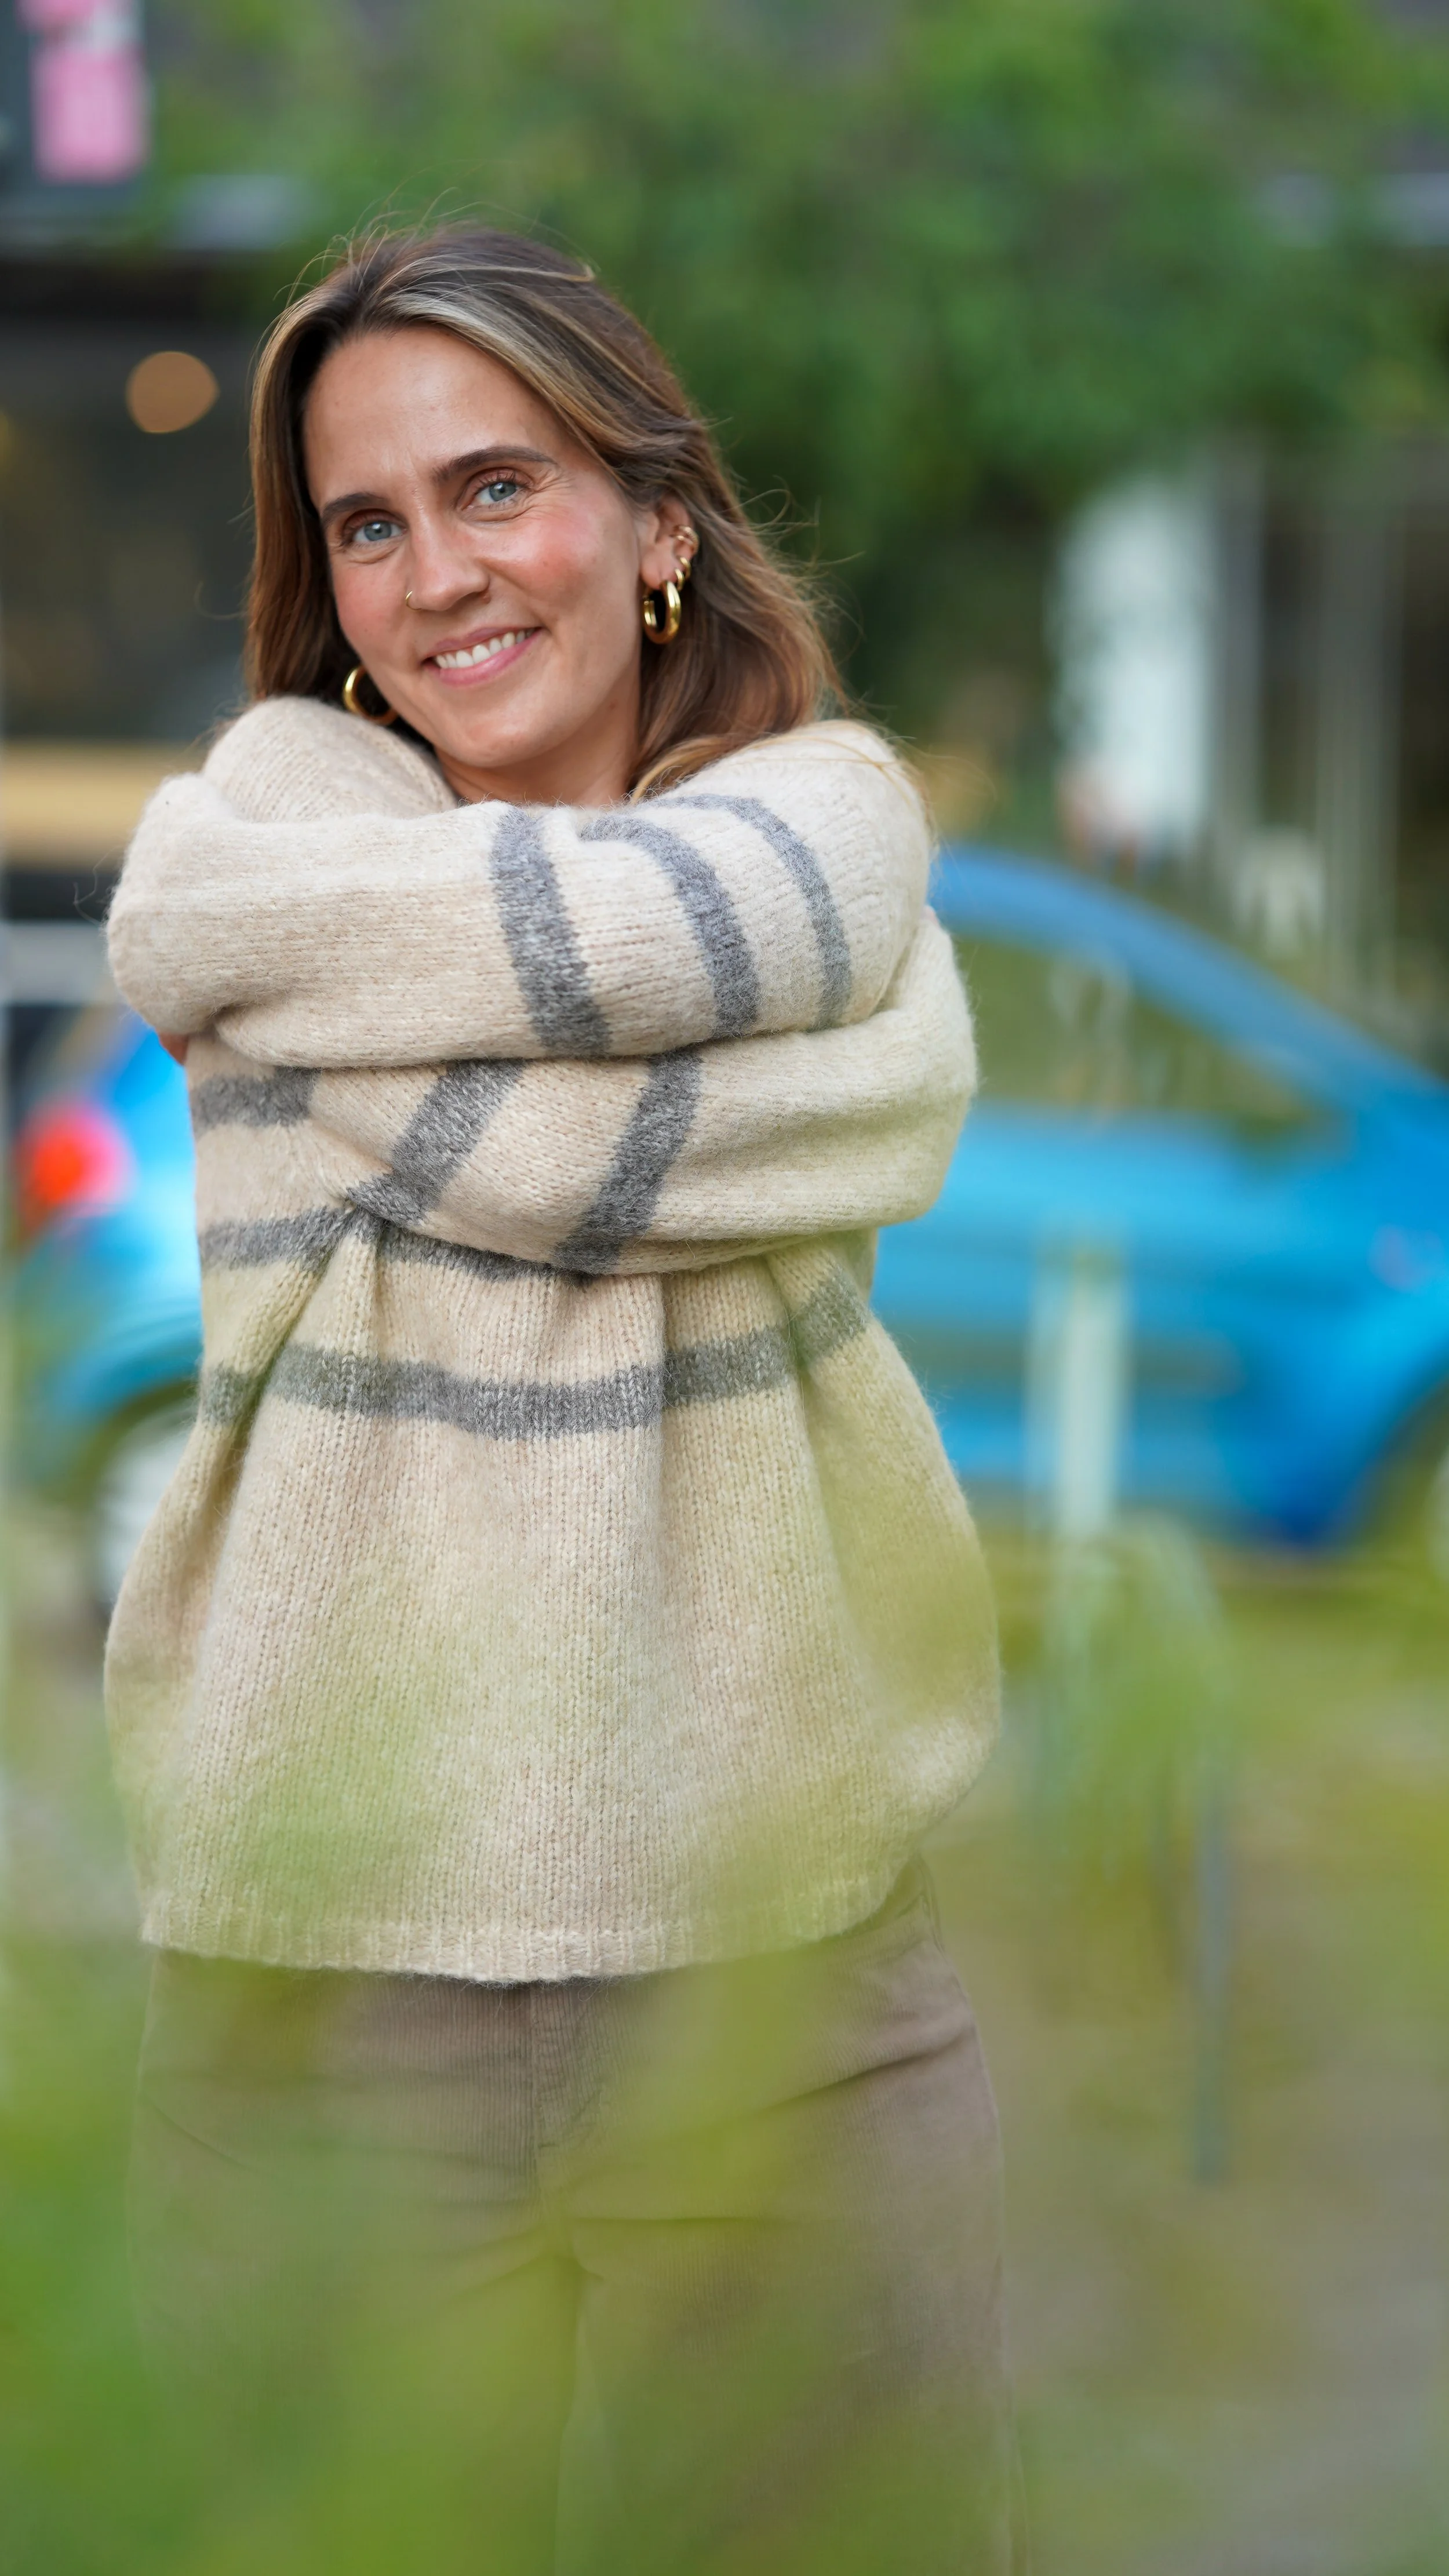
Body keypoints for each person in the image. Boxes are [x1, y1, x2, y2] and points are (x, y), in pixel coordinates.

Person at [105, 225, 1017, 2573]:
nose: (433, 573)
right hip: (322, 1992)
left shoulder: (826, 831)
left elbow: (893, 1088)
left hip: (785, 1963)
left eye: (494, 485)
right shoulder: (263, 841)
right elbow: (198, 930)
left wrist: (373, 1018)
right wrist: (733, 1047)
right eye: (368, 522)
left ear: (657, 521)